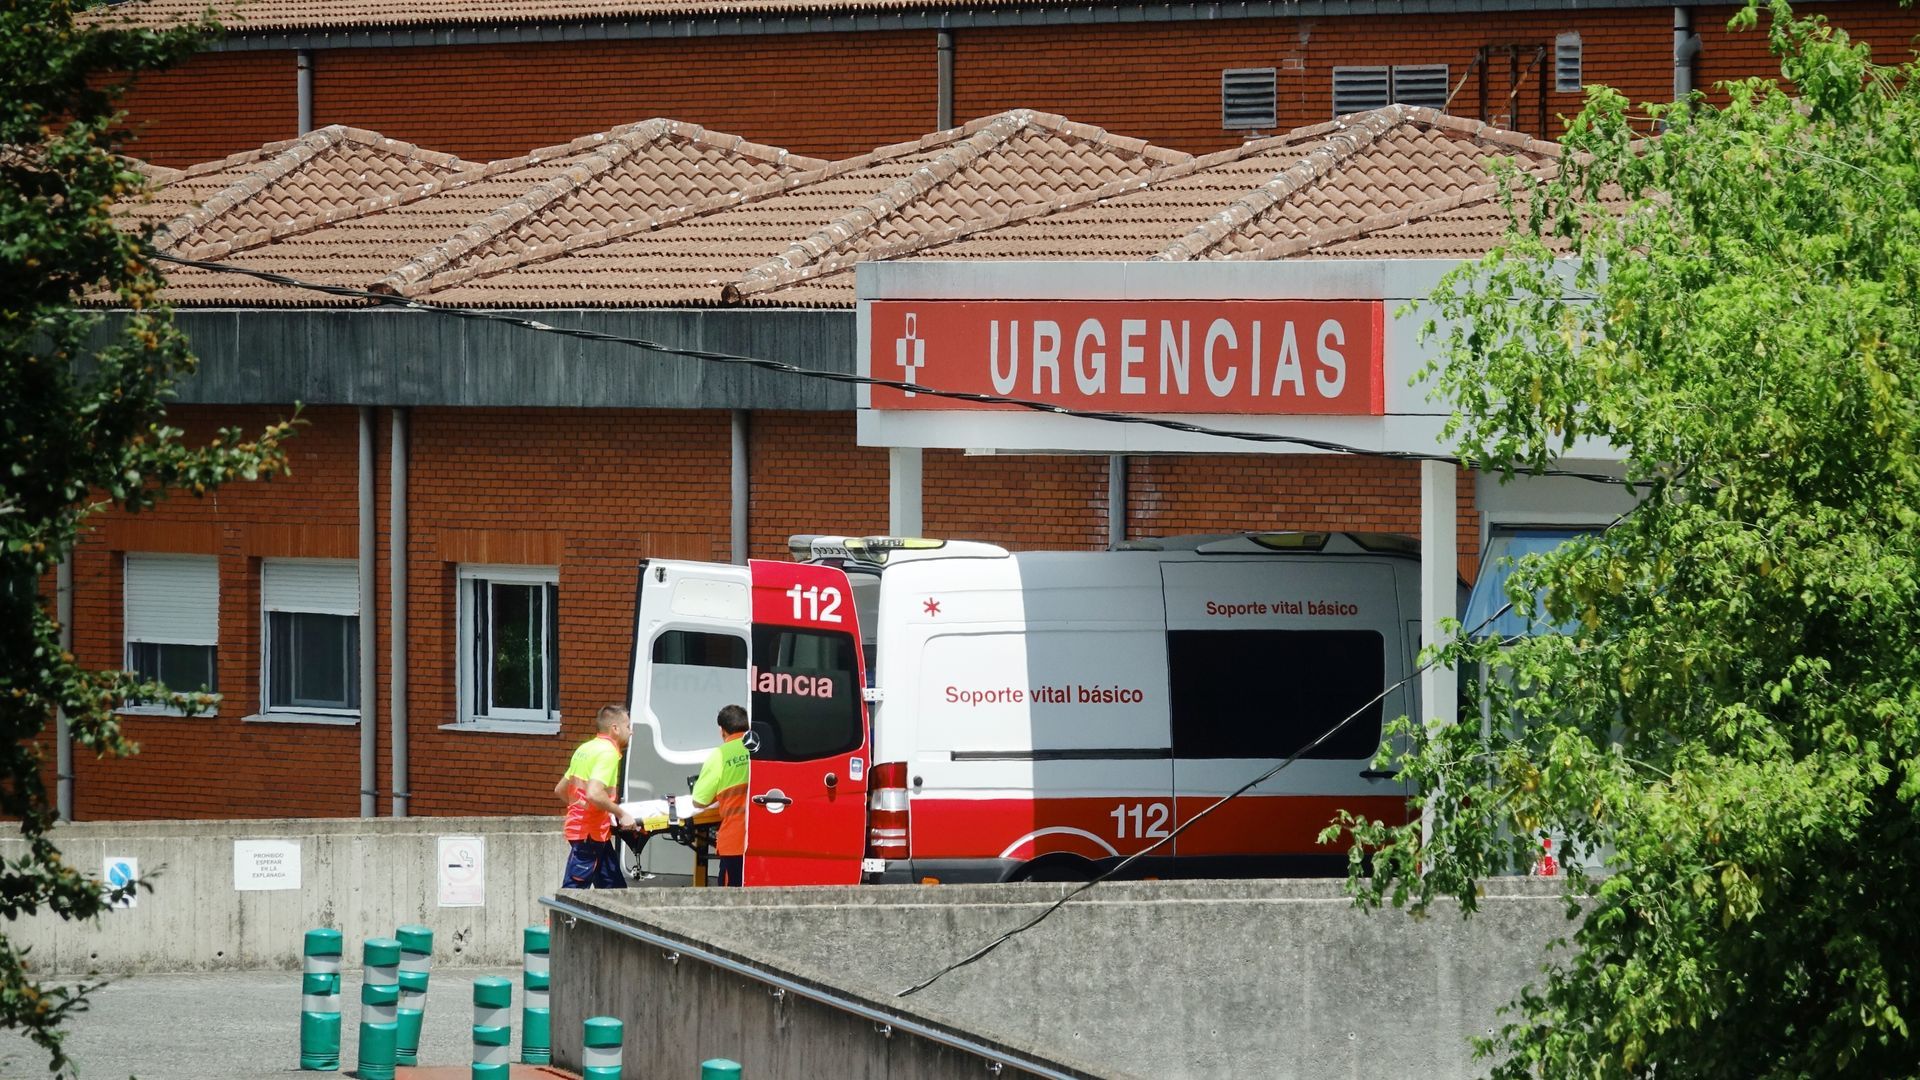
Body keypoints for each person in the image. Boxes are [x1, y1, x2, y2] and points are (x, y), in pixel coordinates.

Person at [555, 704, 637, 889]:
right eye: (628, 727)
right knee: (574, 893)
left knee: (615, 890)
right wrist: (621, 813)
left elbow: (560, 790)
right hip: (589, 835)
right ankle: (560, 919)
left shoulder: (586, 749)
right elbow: (593, 793)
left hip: (592, 833)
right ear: (615, 729)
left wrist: (583, 808)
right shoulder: (607, 752)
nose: (630, 732)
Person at [690, 703, 751, 887]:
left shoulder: (720, 755)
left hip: (734, 842)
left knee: (731, 898)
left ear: (722, 731)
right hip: (761, 840)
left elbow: (699, 801)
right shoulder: (761, 750)